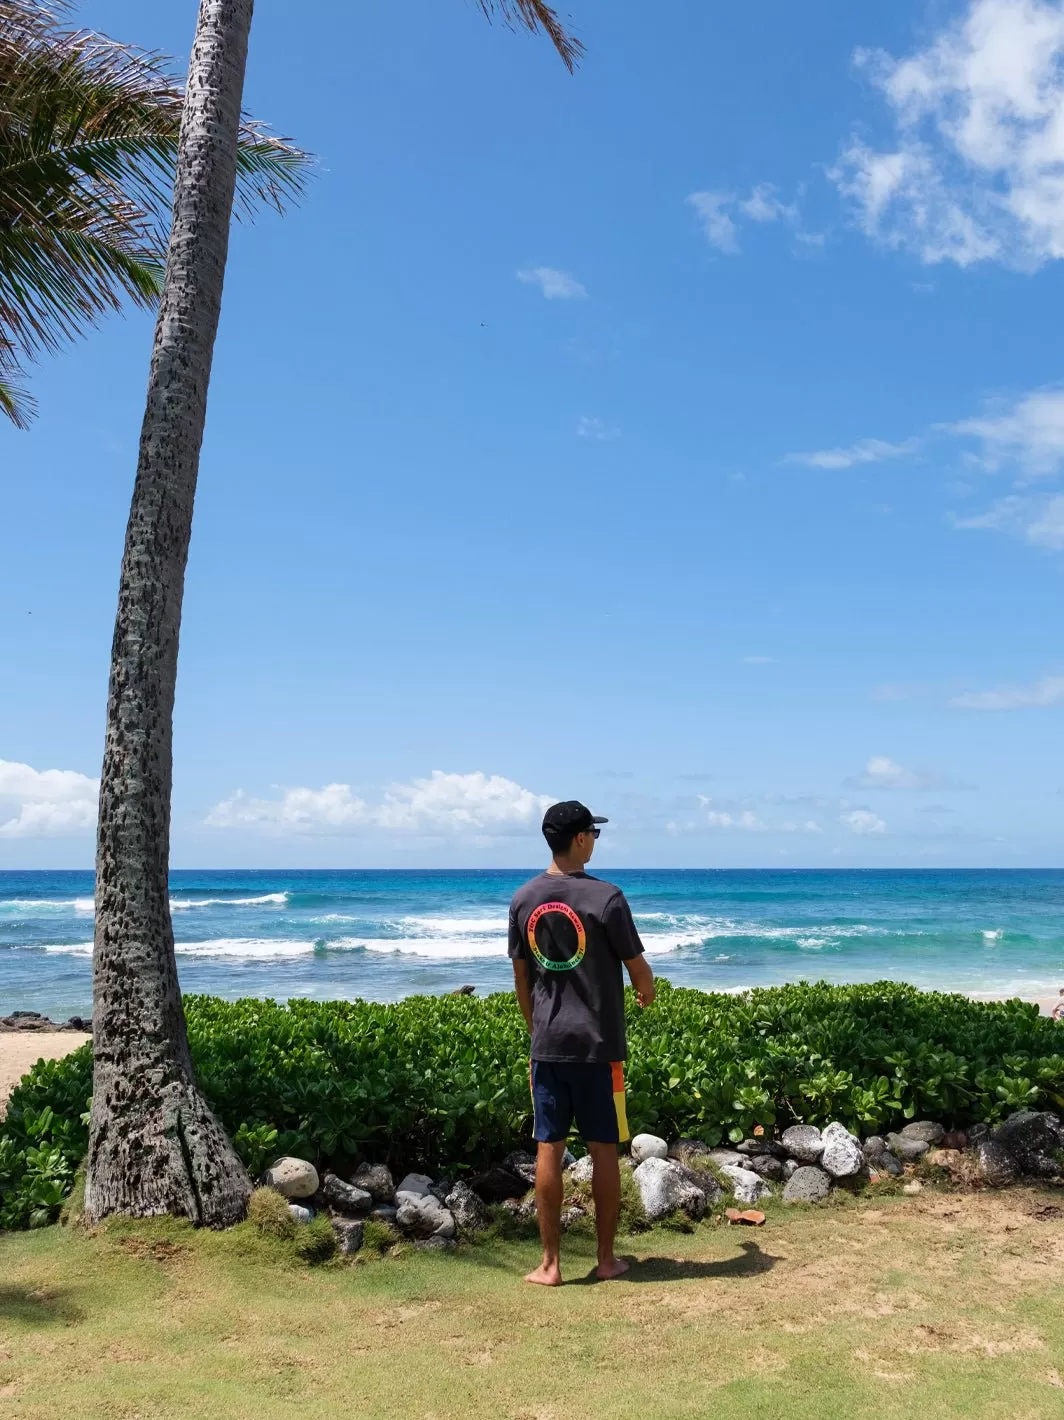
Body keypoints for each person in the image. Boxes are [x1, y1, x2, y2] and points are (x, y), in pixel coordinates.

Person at [508, 800, 656, 1286]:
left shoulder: (524, 899)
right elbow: (638, 969)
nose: (595, 839)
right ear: (578, 839)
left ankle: (549, 1265)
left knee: (548, 1147)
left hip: (547, 1046)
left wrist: (538, 1030)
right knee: (604, 1149)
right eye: (593, 832)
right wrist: (645, 992)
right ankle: (606, 1259)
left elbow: (521, 980)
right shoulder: (607, 898)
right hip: (597, 1047)